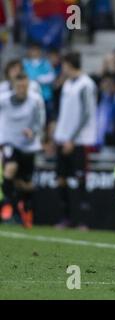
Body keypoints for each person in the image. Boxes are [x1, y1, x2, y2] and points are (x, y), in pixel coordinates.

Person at [53, 52, 97, 230]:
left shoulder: (86, 84)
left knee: (80, 179)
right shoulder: (66, 84)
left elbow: (86, 114)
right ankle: (66, 218)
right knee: (61, 179)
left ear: (69, 64)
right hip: (63, 138)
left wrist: (72, 138)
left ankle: (83, 220)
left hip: (79, 141)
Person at [0, 73, 46, 228]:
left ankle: (25, 210)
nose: (22, 89)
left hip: (28, 145)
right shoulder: (4, 100)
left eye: (24, 86)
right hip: (8, 142)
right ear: (13, 86)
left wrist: (33, 132)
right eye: (19, 86)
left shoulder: (35, 100)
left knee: (25, 184)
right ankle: (8, 208)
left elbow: (41, 122)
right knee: (10, 169)